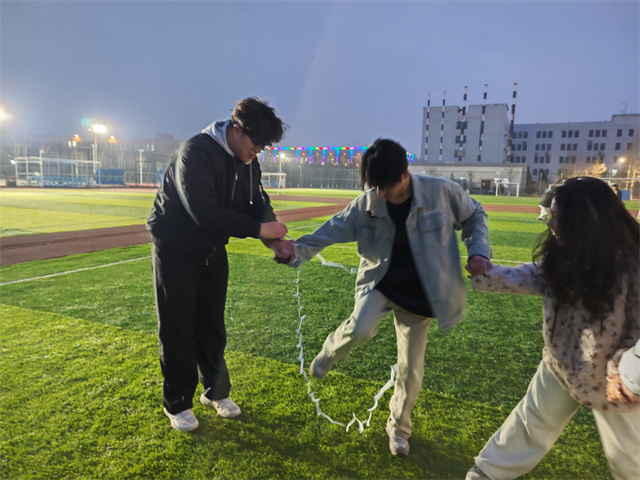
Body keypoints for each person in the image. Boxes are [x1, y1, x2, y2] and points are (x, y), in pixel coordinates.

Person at [275, 138, 492, 457]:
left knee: (410, 368)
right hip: (379, 282)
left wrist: (478, 251)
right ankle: (330, 351)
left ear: (405, 174)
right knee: (360, 328)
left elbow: (475, 215)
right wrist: (296, 251)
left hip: (420, 293)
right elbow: (332, 228)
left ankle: (399, 428)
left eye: (385, 186)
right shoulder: (367, 203)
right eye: (374, 186)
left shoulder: (441, 192)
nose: (380, 193)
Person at [465, 176, 640, 480]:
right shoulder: (566, 252)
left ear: (582, 221)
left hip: (614, 379)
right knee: (531, 421)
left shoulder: (632, 265)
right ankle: (487, 472)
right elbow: (538, 277)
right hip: (561, 361)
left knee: (629, 454)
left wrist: (628, 377)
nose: (550, 224)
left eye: (557, 216)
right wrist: (490, 275)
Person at [147, 97, 291, 432]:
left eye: (264, 146)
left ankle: (215, 392)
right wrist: (260, 230)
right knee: (178, 326)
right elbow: (204, 212)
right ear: (237, 129)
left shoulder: (248, 161)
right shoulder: (195, 153)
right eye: (257, 143)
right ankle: (177, 403)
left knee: (212, 325)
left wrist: (274, 240)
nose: (258, 151)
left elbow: (258, 203)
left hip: (212, 247)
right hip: (176, 247)